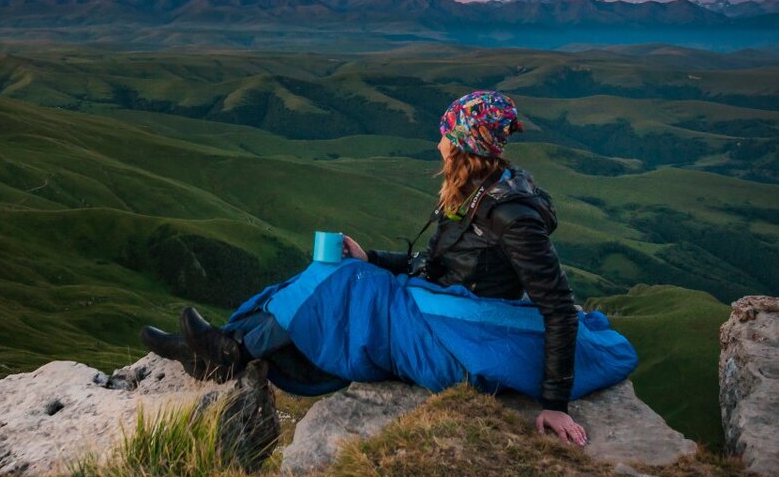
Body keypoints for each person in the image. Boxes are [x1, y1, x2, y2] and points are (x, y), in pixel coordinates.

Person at [141, 90, 590, 448]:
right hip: (434, 309)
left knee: (342, 284)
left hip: (459, 339)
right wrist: (371, 258)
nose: (438, 144)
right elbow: (437, 265)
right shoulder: (474, 193)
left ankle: (224, 352)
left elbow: (558, 307)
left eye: (445, 135)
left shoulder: (510, 216)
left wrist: (555, 403)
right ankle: (225, 346)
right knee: (334, 270)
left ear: (465, 145)